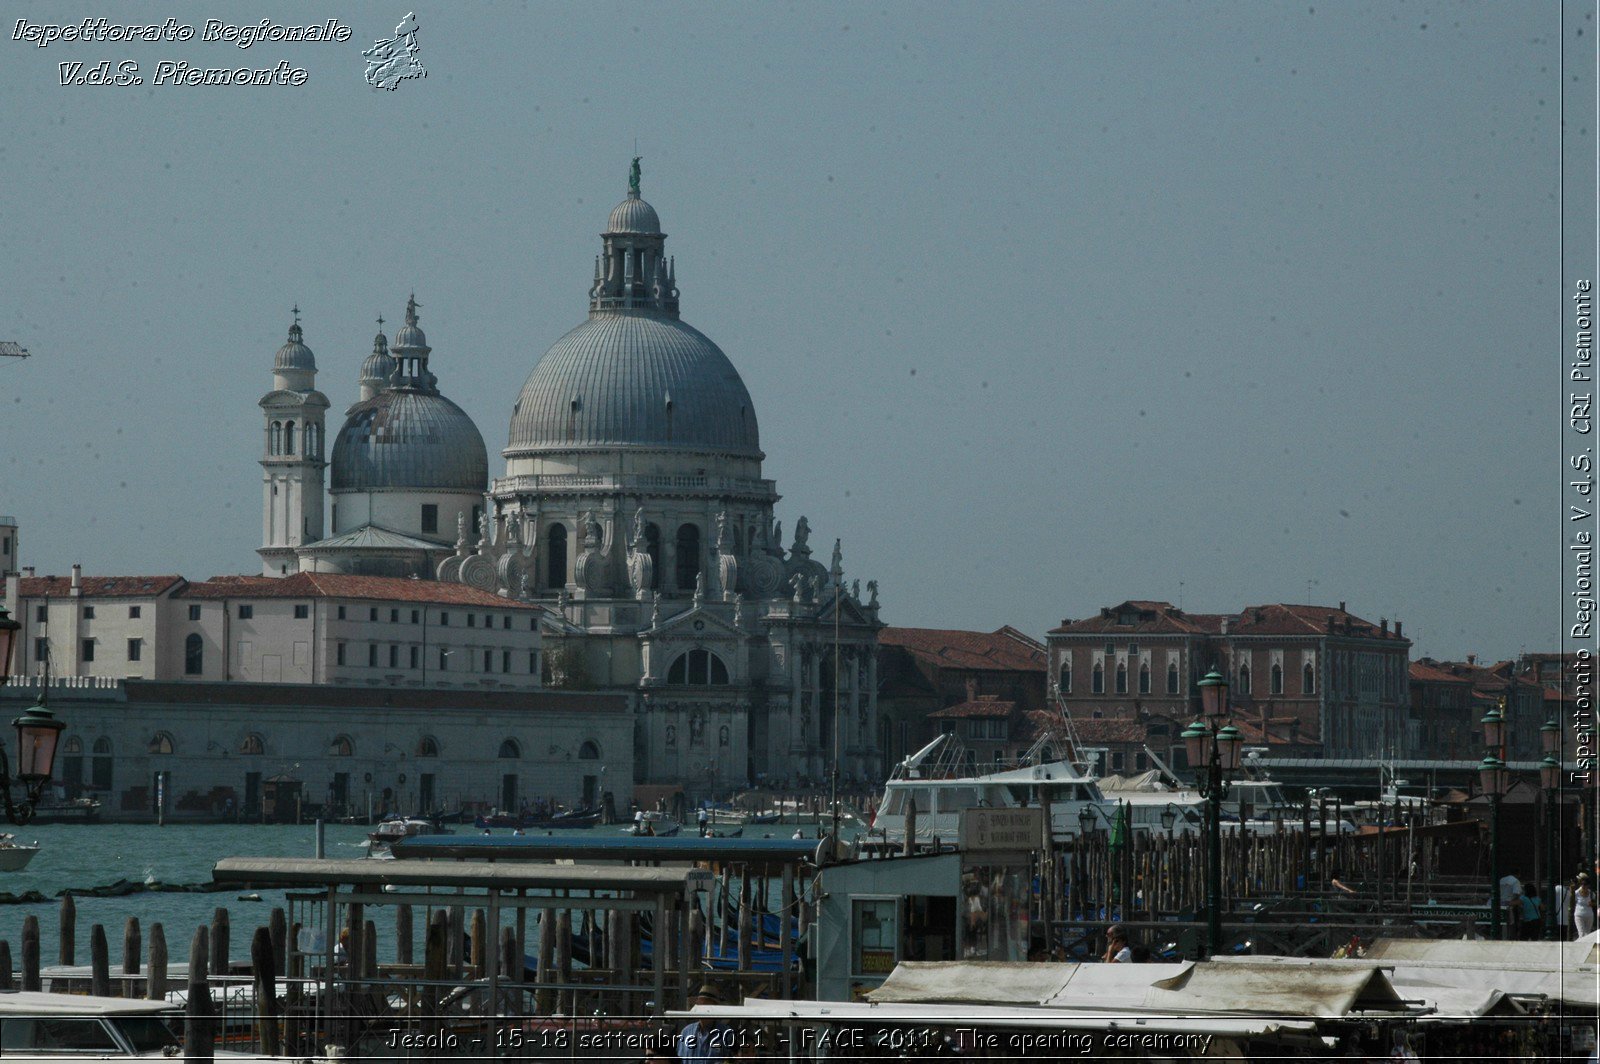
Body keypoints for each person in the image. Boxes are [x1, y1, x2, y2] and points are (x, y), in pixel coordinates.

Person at [677, 984, 733, 1063]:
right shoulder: (686, 1032)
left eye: (706, 1005)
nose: (702, 1009)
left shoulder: (726, 1033)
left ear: (715, 1008)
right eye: (700, 1005)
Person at [1574, 873, 1596, 937]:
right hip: (1579, 915)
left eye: (1585, 884)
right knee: (1581, 933)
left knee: (1587, 934)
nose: (1583, 886)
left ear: (1588, 885)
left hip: (1589, 915)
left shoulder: (1592, 893)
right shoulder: (1576, 893)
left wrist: (1593, 904)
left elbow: (1595, 903)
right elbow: (1573, 903)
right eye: (1582, 884)